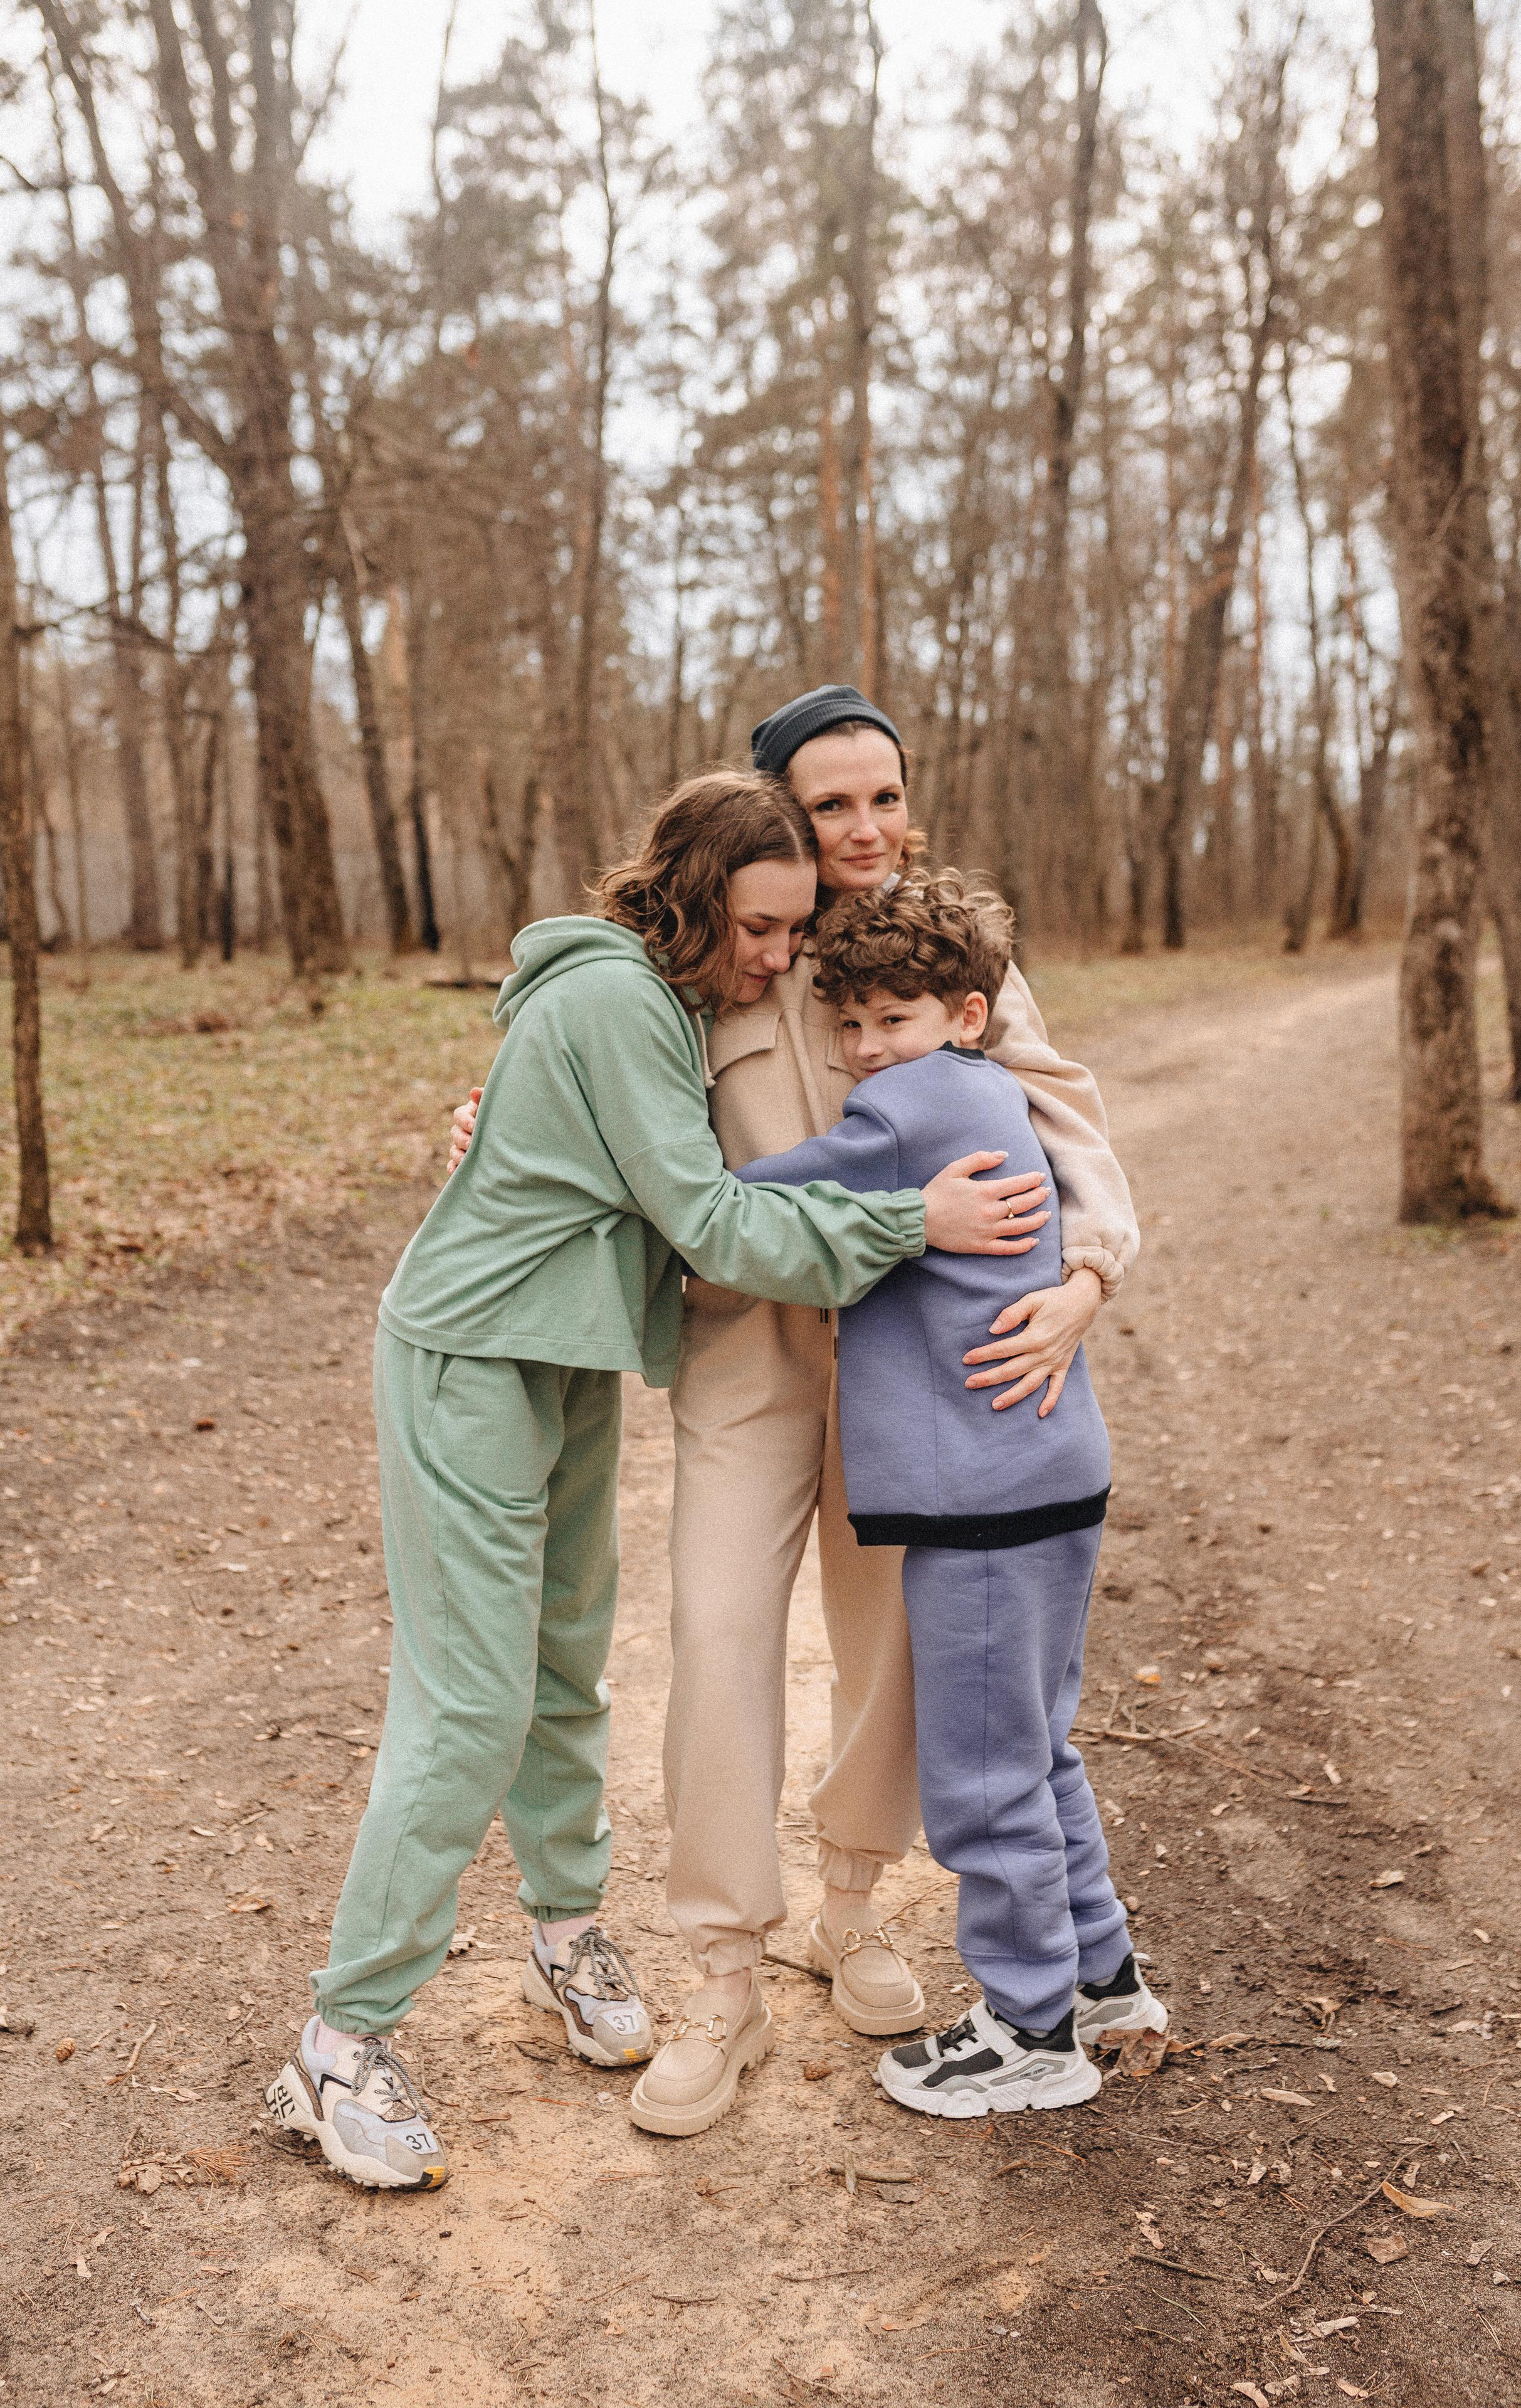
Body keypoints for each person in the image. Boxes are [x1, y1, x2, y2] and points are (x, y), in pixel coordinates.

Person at [266, 771, 1030, 2190]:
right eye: (756, 929)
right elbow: (707, 1221)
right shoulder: (622, 999)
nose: (778, 961)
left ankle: (565, 1928)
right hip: (468, 1359)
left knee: (566, 1669)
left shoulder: (666, 998)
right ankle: (340, 2034)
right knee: (473, 1701)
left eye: (792, 931)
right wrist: (907, 1222)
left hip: (566, 1359)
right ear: (689, 897)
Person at [448, 685, 1139, 2140]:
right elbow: (597, 1084)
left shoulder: (947, 960)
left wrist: (1084, 1279)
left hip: (918, 1376)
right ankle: (719, 1973)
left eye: (883, 797)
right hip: (748, 1355)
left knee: (891, 1646)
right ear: (778, 814)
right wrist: (492, 1114)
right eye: (832, 805)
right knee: (715, 1637)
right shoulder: (716, 957)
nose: (865, 829)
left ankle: (848, 1906)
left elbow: (1066, 1121)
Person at [735, 871, 1167, 2116]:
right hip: (1047, 1474)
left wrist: (657, 1187)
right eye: (850, 1023)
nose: (869, 1048)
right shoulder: (984, 1091)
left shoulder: (913, 1105)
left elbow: (775, 1193)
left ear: (967, 1015)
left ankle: (1027, 2031)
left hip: (979, 1494)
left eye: (898, 1018)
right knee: (1034, 1749)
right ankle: (1101, 1980)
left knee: (977, 1775)